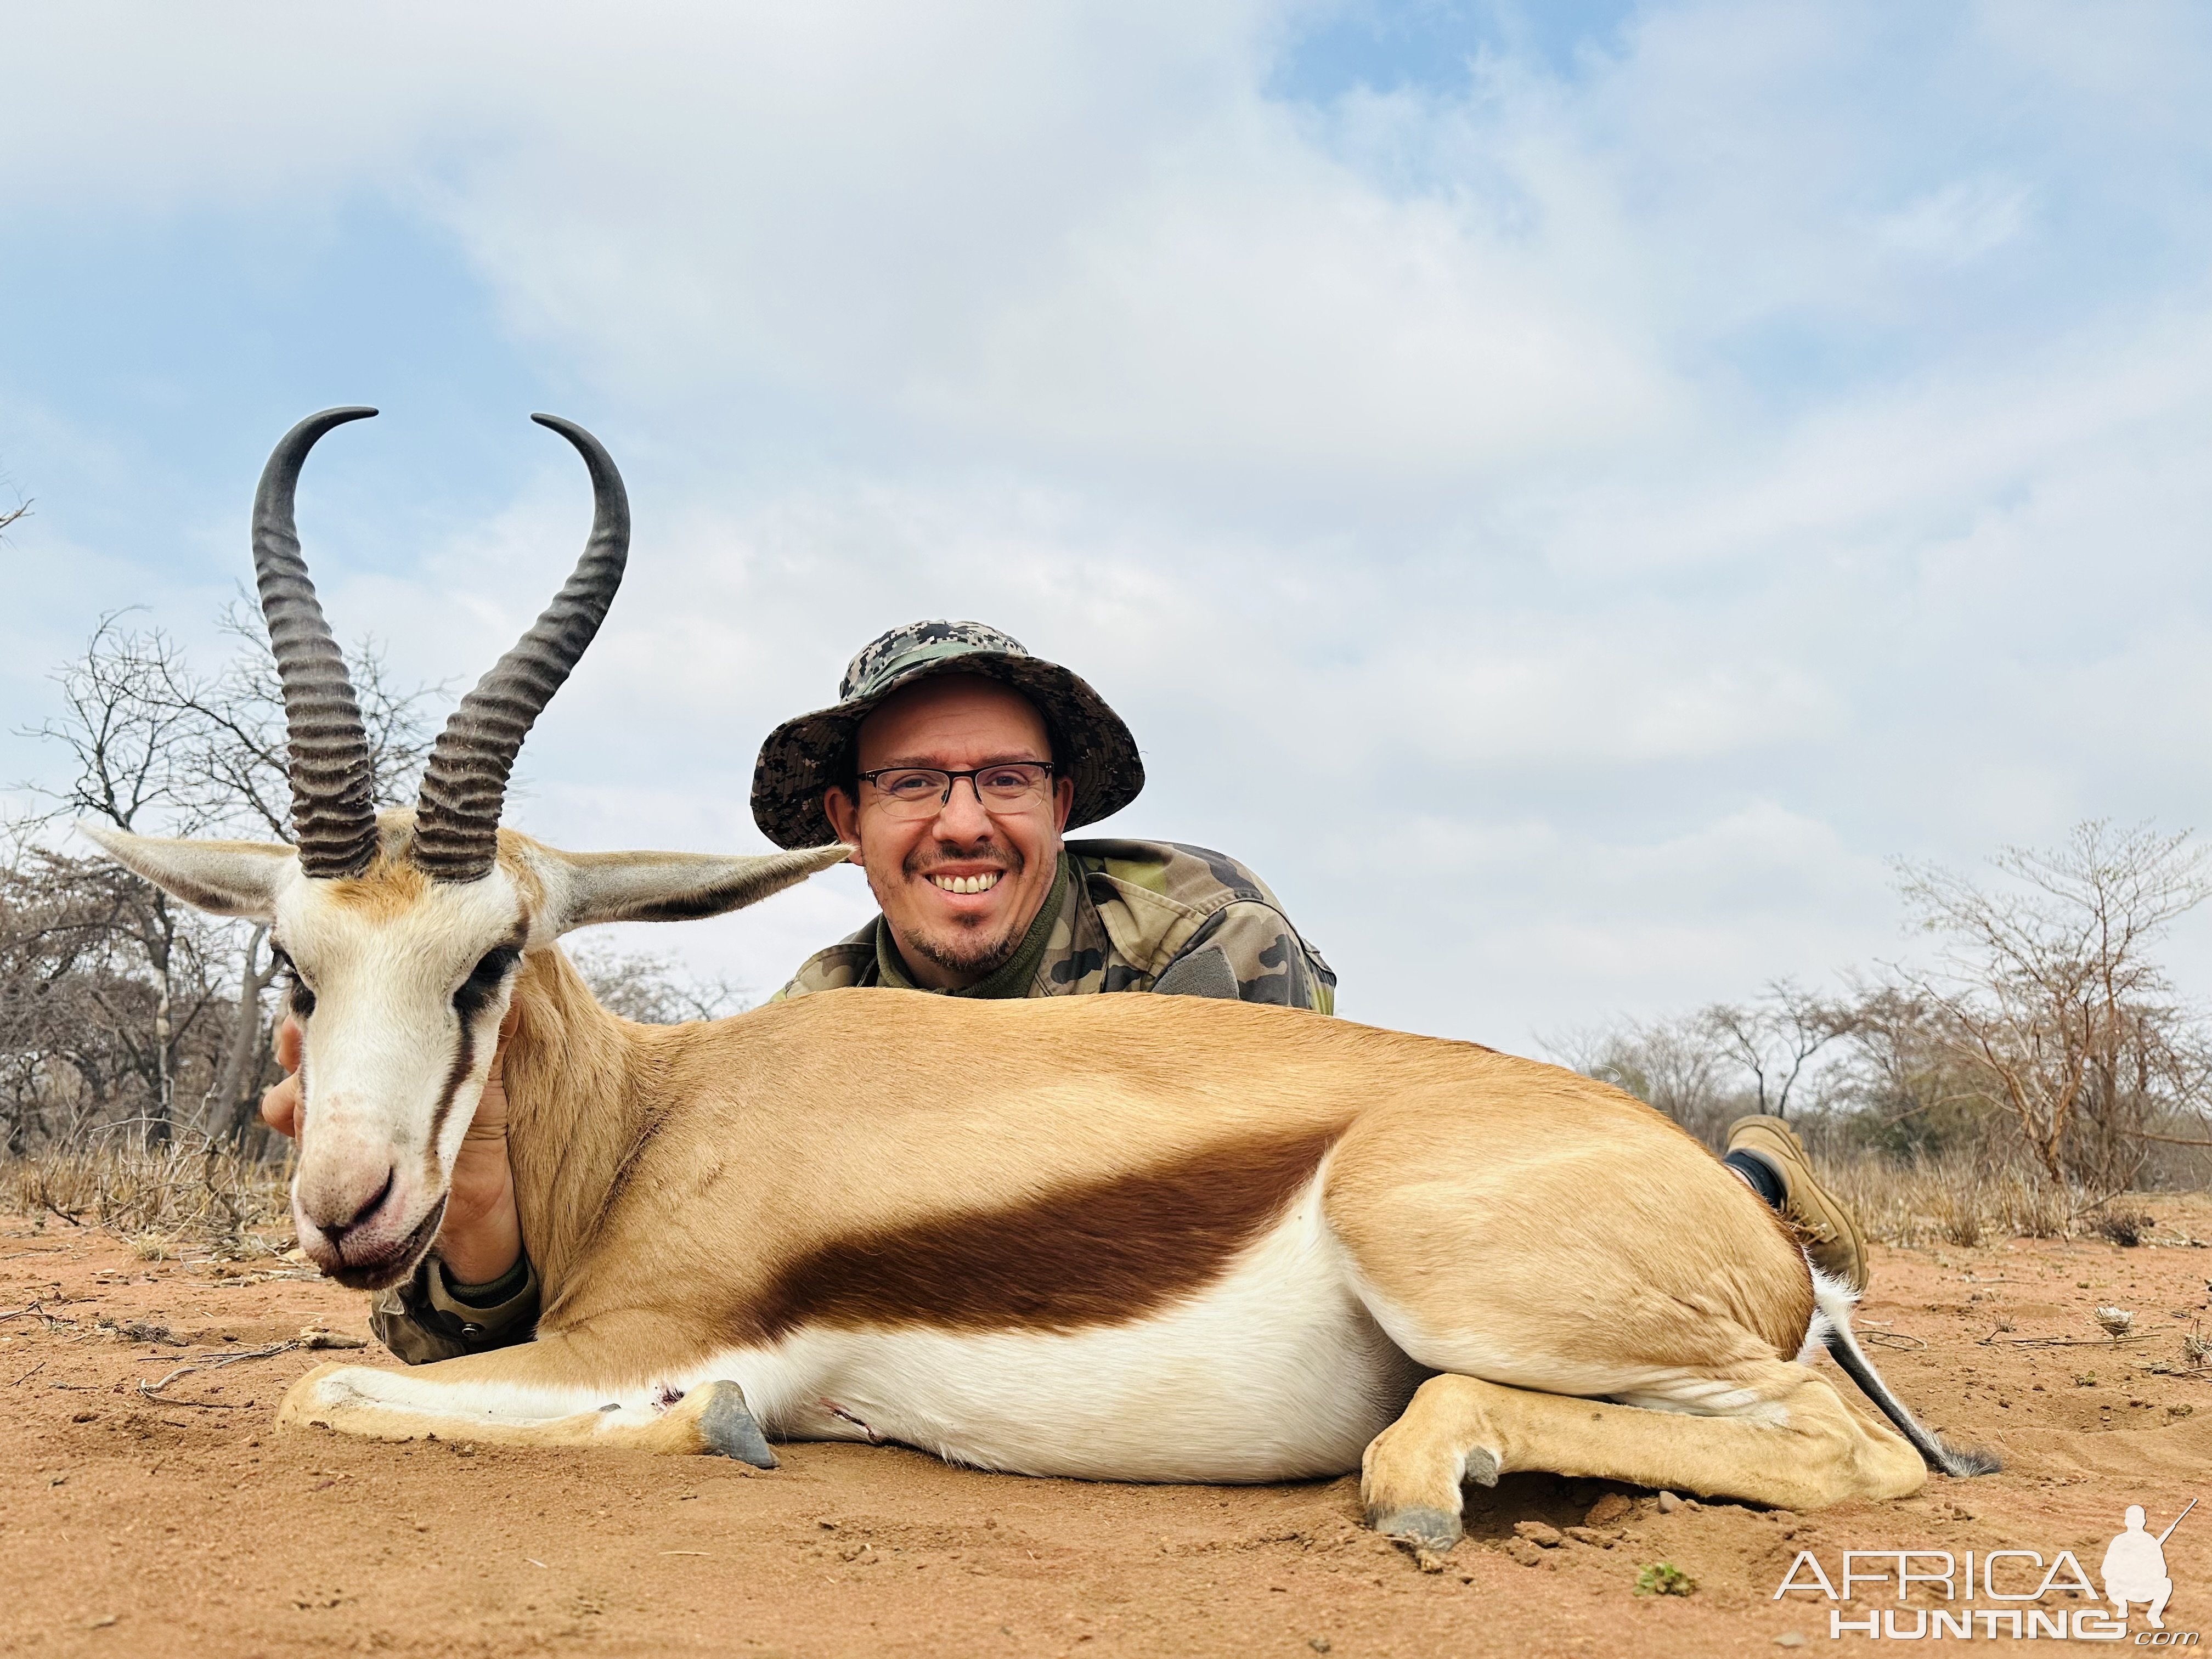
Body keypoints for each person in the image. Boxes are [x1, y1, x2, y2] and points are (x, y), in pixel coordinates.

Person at [259, 619, 1867, 1363]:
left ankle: (1737, 1204)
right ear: (845, 825)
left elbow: (1260, 1184)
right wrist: (479, 1191)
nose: (962, 820)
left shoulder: (1200, 929)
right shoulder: (819, 1009)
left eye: (1003, 779)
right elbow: (625, 1319)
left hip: (1373, 1218)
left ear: (1061, 806)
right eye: (913, 784)